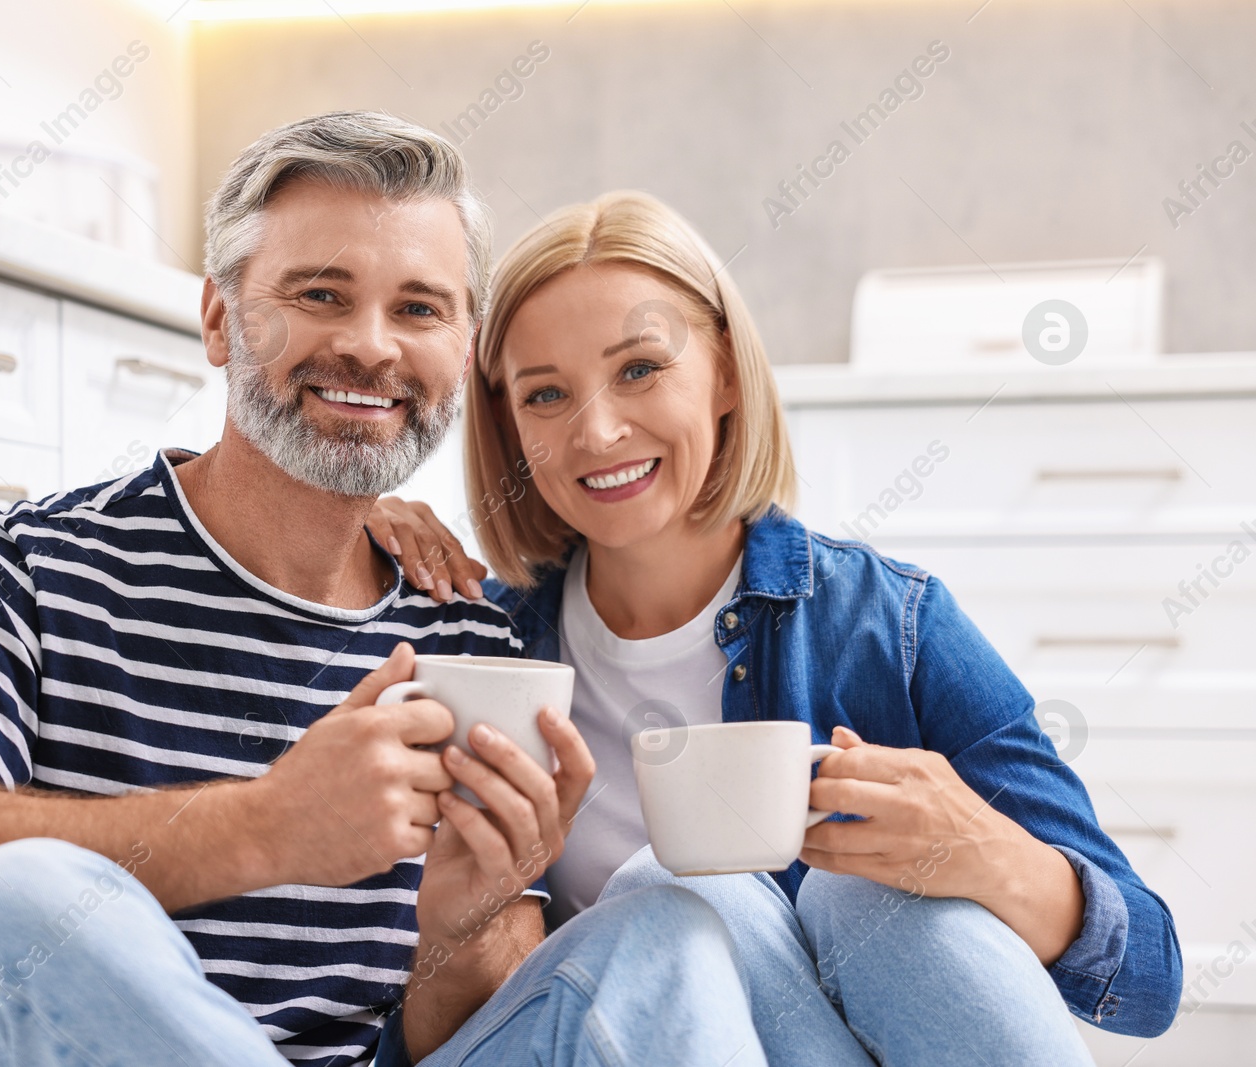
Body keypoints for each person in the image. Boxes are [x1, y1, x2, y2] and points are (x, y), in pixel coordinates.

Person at [0, 115, 775, 1067]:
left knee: (668, 930)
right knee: (17, 902)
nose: (372, 345)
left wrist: (457, 927)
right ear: (219, 318)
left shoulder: (472, 637)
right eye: (320, 294)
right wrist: (264, 825)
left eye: (417, 308)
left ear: (461, 356)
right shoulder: (31, 569)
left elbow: (458, 1030)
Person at [369, 190, 1184, 1062]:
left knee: (861, 895)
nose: (598, 430)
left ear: (723, 370)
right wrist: (349, 530)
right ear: (508, 423)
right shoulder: (485, 651)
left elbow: (1148, 974)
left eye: (640, 368)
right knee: (677, 889)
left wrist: (980, 850)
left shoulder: (887, 620)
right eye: (545, 395)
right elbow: (422, 1031)